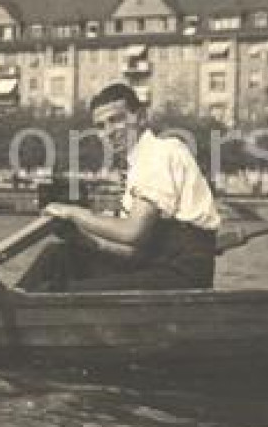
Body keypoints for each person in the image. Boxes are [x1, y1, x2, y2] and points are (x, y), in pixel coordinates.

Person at [17, 82, 221, 292]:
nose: (109, 132)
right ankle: (5, 305)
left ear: (141, 117)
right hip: (154, 265)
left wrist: (72, 212)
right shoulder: (140, 164)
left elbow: (132, 233)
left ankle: (7, 311)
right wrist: (81, 238)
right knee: (58, 256)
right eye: (101, 126)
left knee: (59, 290)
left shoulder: (161, 153)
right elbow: (132, 251)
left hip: (181, 276)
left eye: (116, 120)